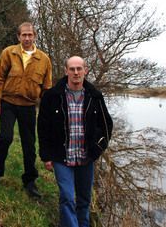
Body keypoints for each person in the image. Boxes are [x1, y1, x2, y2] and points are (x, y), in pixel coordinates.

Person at [37, 56, 113, 227]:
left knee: (84, 200)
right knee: (66, 197)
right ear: (66, 71)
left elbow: (107, 125)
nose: (76, 72)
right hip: (61, 157)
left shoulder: (95, 96)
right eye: (72, 69)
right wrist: (46, 156)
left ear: (85, 70)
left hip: (86, 158)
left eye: (79, 68)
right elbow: (43, 128)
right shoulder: (52, 96)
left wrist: (98, 148)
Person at [0, 22, 52, 199]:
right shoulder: (9, 53)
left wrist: (47, 111)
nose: (27, 38)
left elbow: (47, 87)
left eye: (30, 35)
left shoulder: (44, 59)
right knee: (5, 137)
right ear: (18, 37)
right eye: (23, 35)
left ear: (35, 36)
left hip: (29, 106)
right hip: (8, 103)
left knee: (29, 144)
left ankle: (30, 181)